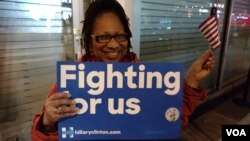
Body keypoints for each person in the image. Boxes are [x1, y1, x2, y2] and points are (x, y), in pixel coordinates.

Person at [31, 0, 215, 140]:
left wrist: (191, 81)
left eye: (120, 36)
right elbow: (42, 136)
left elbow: (169, 119)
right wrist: (47, 123)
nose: (113, 45)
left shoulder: (145, 78)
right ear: (89, 42)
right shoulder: (70, 83)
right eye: (103, 37)